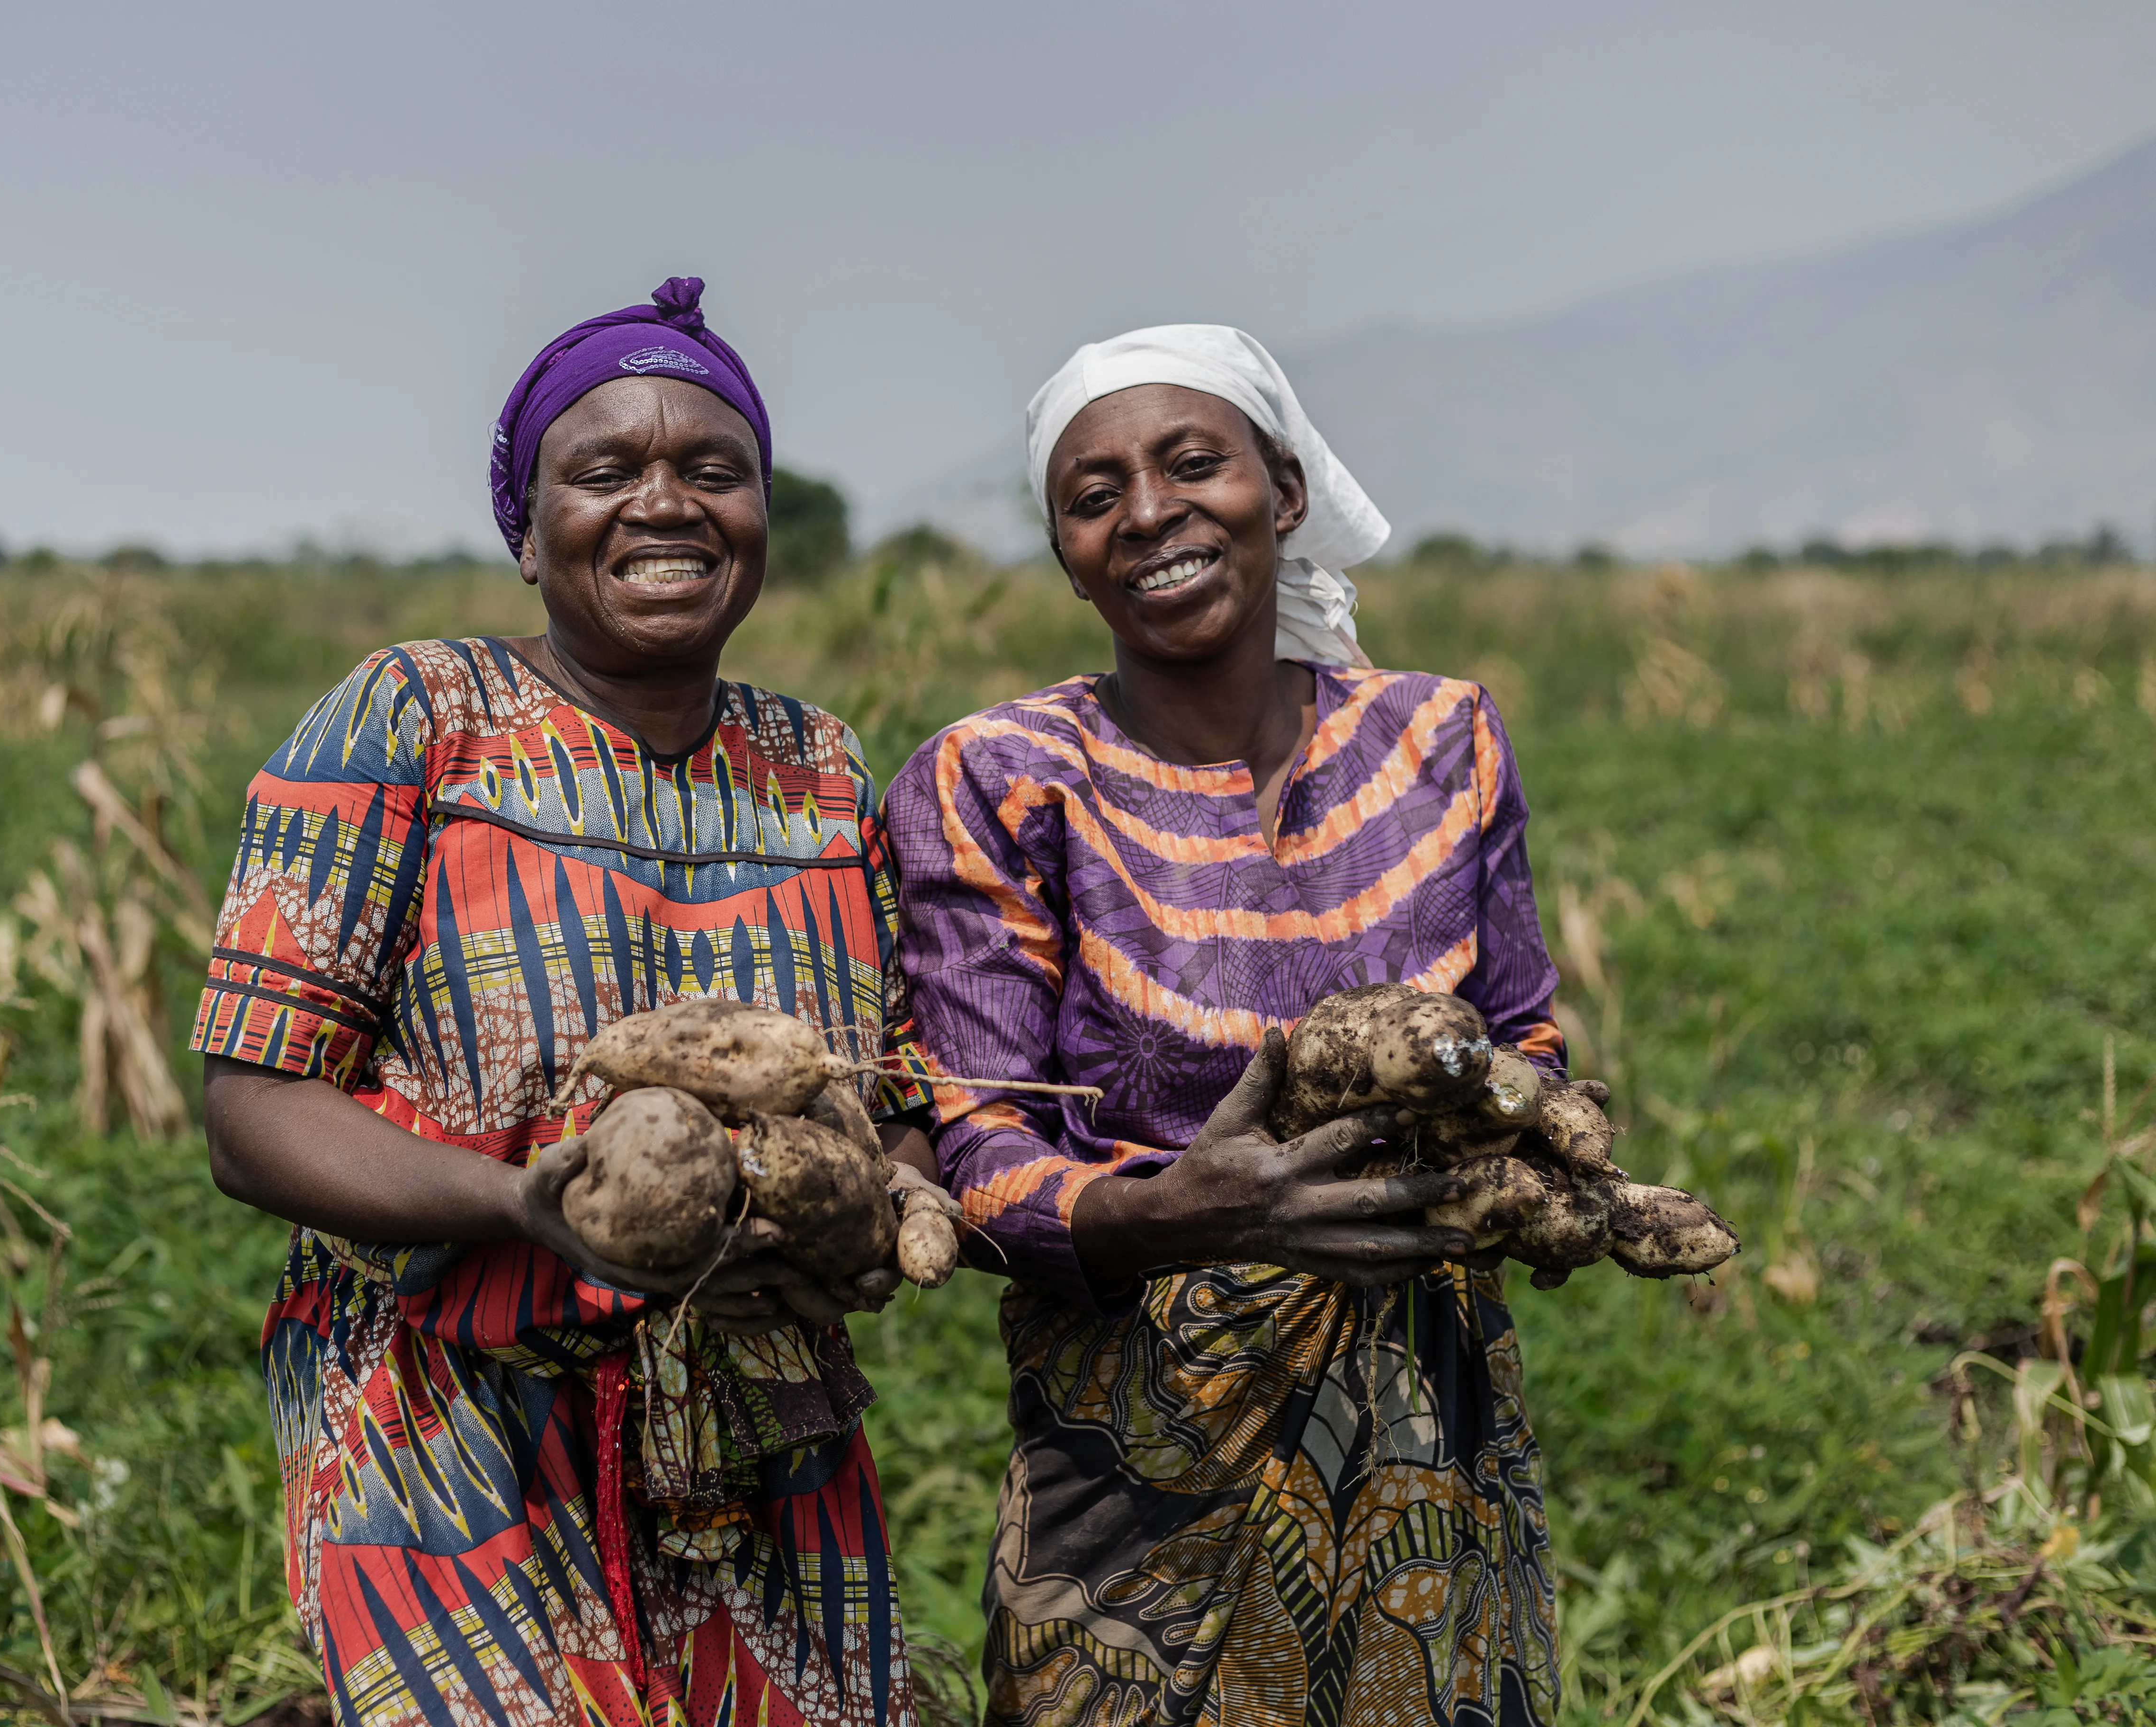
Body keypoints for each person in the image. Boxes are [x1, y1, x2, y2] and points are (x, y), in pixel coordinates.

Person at [194, 276, 939, 1727]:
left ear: (763, 519)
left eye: (712, 471)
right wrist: (525, 1204)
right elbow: (254, 1108)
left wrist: (876, 1214)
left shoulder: (823, 768)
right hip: (451, 1417)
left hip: (762, 1427)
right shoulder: (417, 718)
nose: (665, 502)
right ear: (528, 535)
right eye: (605, 472)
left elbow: (897, 1100)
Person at [885, 325, 1565, 1725]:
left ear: (1288, 489)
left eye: (1195, 463)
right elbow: (973, 1138)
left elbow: (1527, 1044)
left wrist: (1558, 1165)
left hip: (1431, 1444)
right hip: (1141, 1459)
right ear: (1068, 546)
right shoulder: (1003, 781)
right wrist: (1174, 1214)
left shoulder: (1446, 740)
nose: (1148, 513)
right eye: (1094, 494)